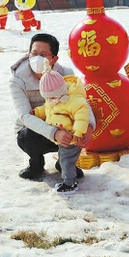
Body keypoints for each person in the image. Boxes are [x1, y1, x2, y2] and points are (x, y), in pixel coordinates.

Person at [9, 33, 95, 186]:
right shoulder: (18, 80)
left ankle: (65, 163)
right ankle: (36, 163)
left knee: (78, 125)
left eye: (43, 55)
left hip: (63, 122)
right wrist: (54, 133)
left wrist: (89, 126)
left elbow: (81, 101)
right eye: (34, 54)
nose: (37, 58)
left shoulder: (66, 74)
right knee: (26, 137)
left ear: (54, 59)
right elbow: (24, 116)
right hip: (35, 128)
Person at [32, 62, 92, 193]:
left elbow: (82, 115)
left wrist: (79, 132)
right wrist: (37, 112)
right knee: (63, 158)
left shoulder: (73, 100)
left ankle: (70, 183)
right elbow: (46, 109)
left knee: (66, 160)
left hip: (72, 138)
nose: (50, 100)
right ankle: (70, 175)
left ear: (60, 91)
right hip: (62, 139)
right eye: (47, 97)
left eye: (52, 96)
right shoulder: (52, 100)